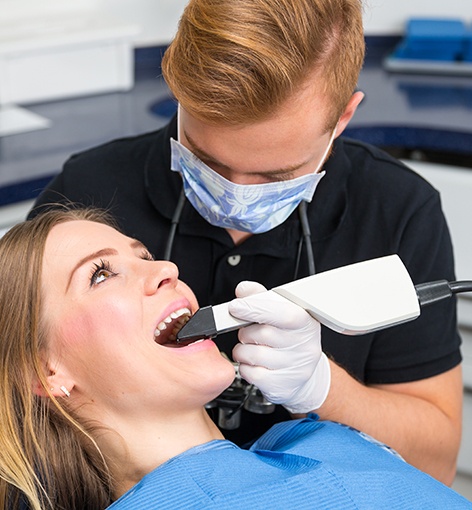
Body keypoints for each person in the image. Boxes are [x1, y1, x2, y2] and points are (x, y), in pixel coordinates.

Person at [28, 0, 463, 485]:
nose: (235, 192)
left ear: (343, 117)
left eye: (275, 176)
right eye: (205, 161)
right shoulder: (86, 195)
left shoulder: (397, 209)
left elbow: (435, 465)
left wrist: (322, 387)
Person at [0, 207, 470, 510]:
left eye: (144, 255)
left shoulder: (317, 439)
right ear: (44, 371)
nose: (165, 268)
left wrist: (321, 384)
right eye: (101, 274)